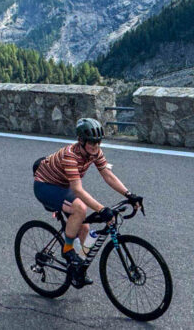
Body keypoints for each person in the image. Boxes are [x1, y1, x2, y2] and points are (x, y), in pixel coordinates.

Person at [33, 118, 141, 287]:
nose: (95, 146)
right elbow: (77, 190)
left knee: (84, 226)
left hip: (63, 186)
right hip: (45, 186)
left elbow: (107, 175)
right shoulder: (70, 155)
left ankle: (76, 269)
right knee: (80, 209)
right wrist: (101, 209)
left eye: (98, 142)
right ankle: (67, 249)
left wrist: (129, 194)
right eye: (91, 143)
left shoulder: (95, 152)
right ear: (81, 141)